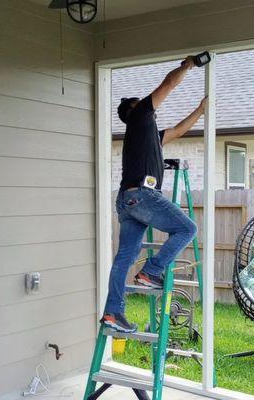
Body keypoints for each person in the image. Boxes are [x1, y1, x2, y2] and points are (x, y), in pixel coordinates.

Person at [102, 56, 207, 333]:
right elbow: (168, 84)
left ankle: (113, 313)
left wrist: (200, 110)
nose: (152, 107)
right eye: (143, 103)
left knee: (125, 256)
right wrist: (189, 65)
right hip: (143, 196)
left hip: (128, 200)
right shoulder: (138, 117)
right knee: (187, 228)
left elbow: (178, 131)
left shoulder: (147, 133)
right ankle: (152, 271)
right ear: (134, 109)